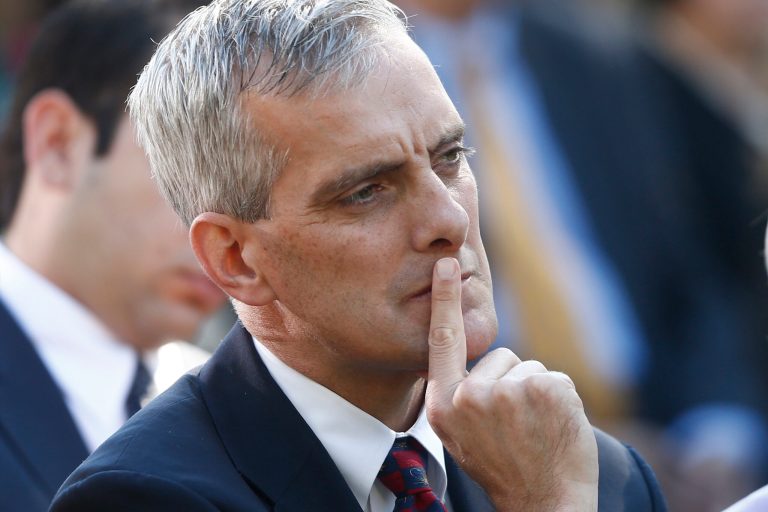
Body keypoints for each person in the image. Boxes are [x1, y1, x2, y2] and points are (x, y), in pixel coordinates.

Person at [50, 1, 667, 510]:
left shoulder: (602, 477)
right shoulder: (143, 498)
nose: (449, 221)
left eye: (451, 158)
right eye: (367, 191)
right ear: (235, 258)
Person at [0, 1, 222, 510]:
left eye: (253, 187)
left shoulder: (224, 405)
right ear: (58, 143)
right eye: (195, 168)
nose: (230, 230)